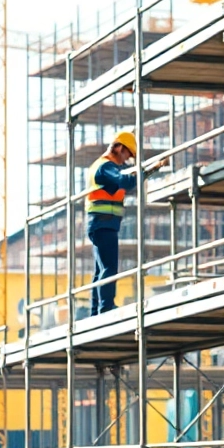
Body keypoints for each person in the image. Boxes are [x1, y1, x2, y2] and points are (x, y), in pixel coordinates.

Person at [85, 130, 166, 316]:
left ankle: (95, 312)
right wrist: (148, 171)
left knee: (100, 270)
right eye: (127, 154)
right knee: (109, 267)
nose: (126, 160)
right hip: (103, 224)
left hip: (102, 223)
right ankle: (105, 309)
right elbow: (124, 181)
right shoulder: (105, 166)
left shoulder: (103, 167)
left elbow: (119, 185)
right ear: (119, 147)